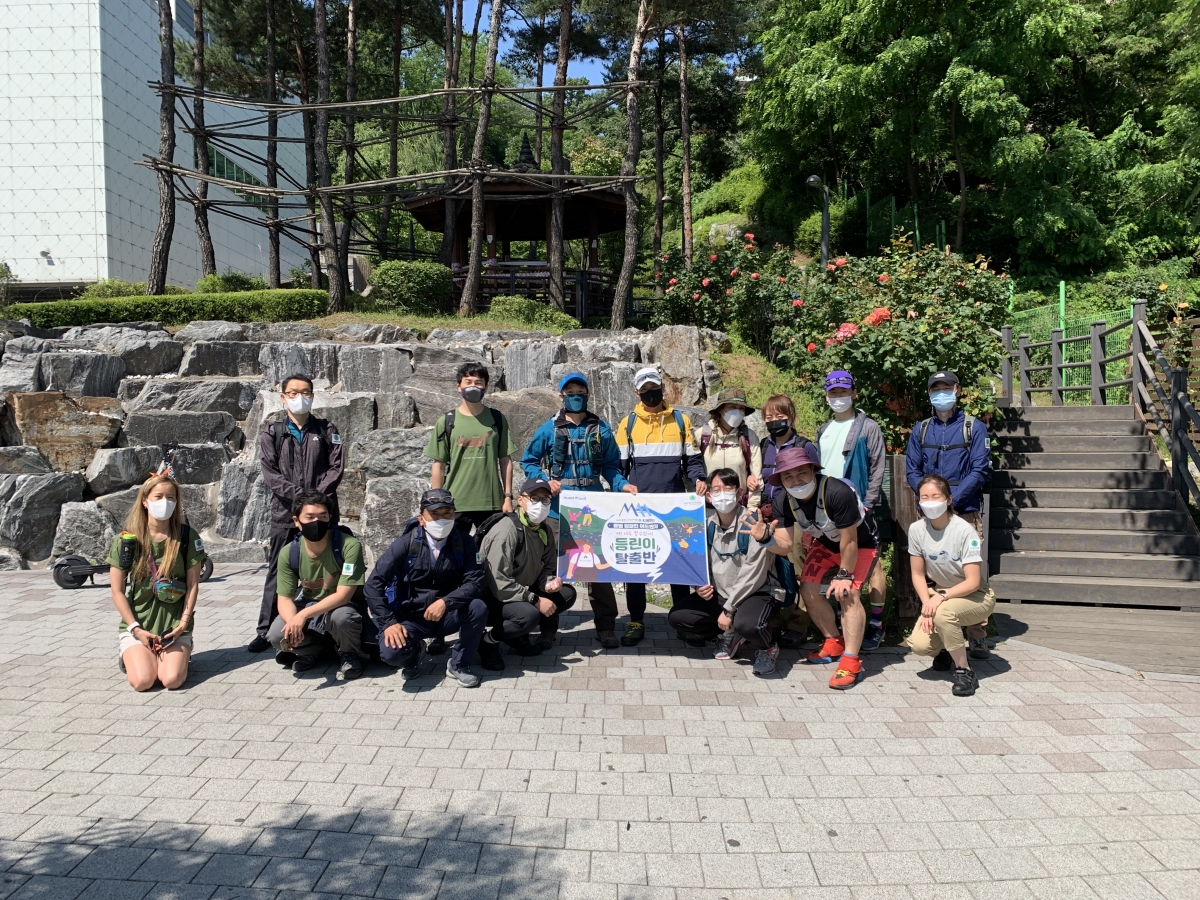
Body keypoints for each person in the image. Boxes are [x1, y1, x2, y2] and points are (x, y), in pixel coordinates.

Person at [519, 373, 635, 648]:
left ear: (587, 395)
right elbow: (529, 461)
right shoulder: (549, 429)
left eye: (580, 391)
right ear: (561, 396)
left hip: (593, 508)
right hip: (558, 510)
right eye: (569, 391)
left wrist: (622, 485)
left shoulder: (601, 429)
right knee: (552, 569)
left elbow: (611, 467)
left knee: (598, 571)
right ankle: (548, 628)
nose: (575, 396)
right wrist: (545, 481)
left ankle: (606, 626)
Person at [769, 446, 880, 690]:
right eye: (788, 476)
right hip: (826, 543)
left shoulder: (837, 492)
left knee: (847, 593)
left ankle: (852, 661)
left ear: (813, 470)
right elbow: (785, 545)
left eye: (801, 472)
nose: (796, 480)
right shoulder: (781, 500)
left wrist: (844, 575)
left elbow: (849, 541)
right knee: (808, 590)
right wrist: (765, 539)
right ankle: (833, 641)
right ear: (781, 480)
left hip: (860, 544)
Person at [250, 372, 344, 654]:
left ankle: (330, 626)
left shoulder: (327, 430)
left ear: (313, 396)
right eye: (293, 393)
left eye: (305, 392)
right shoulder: (273, 432)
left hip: (322, 514)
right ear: (283, 397)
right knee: (276, 571)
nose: (299, 398)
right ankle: (265, 630)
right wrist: (299, 500)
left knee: (330, 567)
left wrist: (315, 502)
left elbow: (336, 468)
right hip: (285, 514)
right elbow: (270, 473)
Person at [614, 367, 708, 646]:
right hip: (638, 510)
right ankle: (635, 621)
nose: (650, 393)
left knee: (677, 566)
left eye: (654, 388)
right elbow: (618, 468)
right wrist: (621, 487)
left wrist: (699, 479)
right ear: (637, 392)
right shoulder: (627, 424)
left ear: (662, 388)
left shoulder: (681, 421)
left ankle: (682, 622)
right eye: (645, 390)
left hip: (674, 507)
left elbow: (692, 460)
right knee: (635, 568)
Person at [667, 469, 793, 676]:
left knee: (749, 625)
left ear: (739, 492)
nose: (722, 494)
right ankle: (732, 633)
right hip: (723, 593)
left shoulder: (754, 523)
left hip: (757, 592)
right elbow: (698, 562)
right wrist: (699, 585)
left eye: (728, 488)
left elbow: (753, 574)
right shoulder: (707, 525)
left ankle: (768, 647)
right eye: (716, 490)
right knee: (679, 617)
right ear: (709, 496)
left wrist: (728, 610)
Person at [365, 489, 489, 687]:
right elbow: (373, 584)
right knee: (391, 653)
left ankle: (459, 664)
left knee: (478, 607)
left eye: (447, 513)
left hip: (447, 614)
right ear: (421, 519)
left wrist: (446, 602)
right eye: (435, 514)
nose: (442, 519)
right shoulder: (405, 543)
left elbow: (475, 582)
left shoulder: (464, 542)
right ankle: (414, 656)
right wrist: (388, 623)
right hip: (411, 617)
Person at [107, 474, 206, 692]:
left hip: (174, 628)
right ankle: (133, 654)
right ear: (145, 501)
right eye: (158, 496)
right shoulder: (127, 540)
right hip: (138, 626)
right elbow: (117, 591)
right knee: (143, 682)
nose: (165, 502)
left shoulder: (187, 537)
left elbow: (193, 585)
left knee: (171, 680)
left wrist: (183, 624)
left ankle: (178, 653)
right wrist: (135, 629)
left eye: (171, 498)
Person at [815, 370, 890, 651]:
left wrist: (868, 502)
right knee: (840, 562)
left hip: (860, 506)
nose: (839, 397)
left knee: (873, 564)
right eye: (833, 393)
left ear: (854, 393)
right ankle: (844, 620)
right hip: (829, 508)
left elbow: (878, 467)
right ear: (826, 396)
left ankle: (877, 623)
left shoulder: (868, 427)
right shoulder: (823, 429)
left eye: (843, 392)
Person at [903, 475, 996, 696]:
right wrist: (927, 605)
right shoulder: (916, 530)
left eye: (936, 496)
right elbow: (917, 574)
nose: (930, 502)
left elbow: (973, 581)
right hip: (939, 594)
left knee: (944, 614)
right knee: (920, 646)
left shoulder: (965, 531)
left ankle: (964, 670)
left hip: (975, 595)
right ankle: (945, 648)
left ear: (948, 499)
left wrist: (940, 598)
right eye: (925, 497)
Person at [476, 477, 578, 668]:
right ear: (520, 500)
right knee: (529, 615)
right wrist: (535, 600)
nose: (540, 504)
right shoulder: (507, 531)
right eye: (534, 498)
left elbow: (546, 568)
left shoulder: (544, 530)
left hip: (520, 590)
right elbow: (498, 582)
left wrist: (548, 583)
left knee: (566, 594)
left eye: (545, 499)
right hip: (492, 597)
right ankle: (488, 642)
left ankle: (516, 635)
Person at [268, 490, 366, 681]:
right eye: (310, 517)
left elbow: (344, 595)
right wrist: (293, 623)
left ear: (330, 518)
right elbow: (285, 598)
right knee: (276, 635)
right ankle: (316, 650)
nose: (317, 522)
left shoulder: (349, 545)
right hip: (308, 603)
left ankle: (349, 653)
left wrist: (303, 616)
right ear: (297, 521)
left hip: (341, 606)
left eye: (322, 517)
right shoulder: (289, 553)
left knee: (343, 617)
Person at [758, 393, 819, 645]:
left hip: (796, 514)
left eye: (780, 415)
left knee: (797, 567)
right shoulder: (763, 445)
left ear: (791, 416)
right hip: (768, 514)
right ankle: (770, 621)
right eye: (769, 416)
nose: (774, 420)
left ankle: (797, 625)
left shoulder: (804, 446)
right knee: (769, 568)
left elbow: (815, 479)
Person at [424, 361, 515, 531]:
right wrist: (437, 502)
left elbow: (505, 460)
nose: (473, 386)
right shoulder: (446, 421)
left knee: (494, 547)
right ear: (459, 387)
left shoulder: (497, 419)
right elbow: (439, 464)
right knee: (454, 547)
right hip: (455, 502)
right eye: (468, 382)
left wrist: (508, 496)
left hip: (491, 502)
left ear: (486, 387)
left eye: (478, 382)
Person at [905, 370, 991, 538]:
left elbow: (979, 470)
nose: (941, 393)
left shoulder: (974, 427)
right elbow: (912, 471)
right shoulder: (920, 429)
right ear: (929, 393)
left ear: (957, 390)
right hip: (928, 513)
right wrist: (930, 499)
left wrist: (951, 501)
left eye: (946, 388)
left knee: (966, 556)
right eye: (936, 390)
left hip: (965, 512)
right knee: (927, 555)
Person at [696, 388, 763, 507]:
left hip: (739, 508)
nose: (737, 412)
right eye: (732, 407)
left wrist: (752, 506)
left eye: (741, 408)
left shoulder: (750, 437)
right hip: (708, 508)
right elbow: (693, 470)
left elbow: (756, 477)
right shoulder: (702, 435)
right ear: (720, 409)